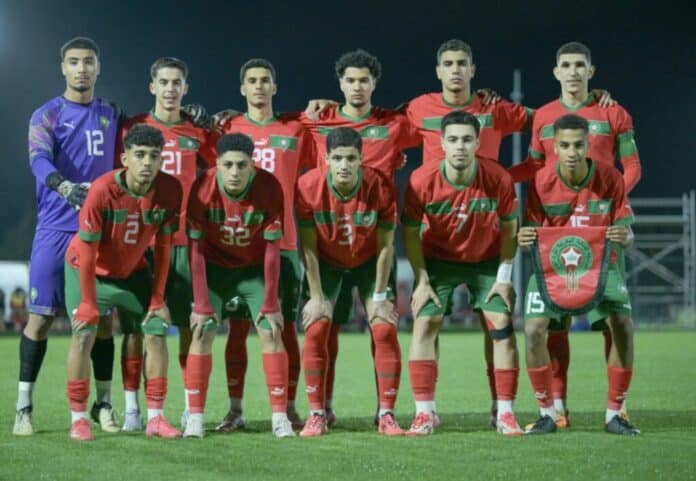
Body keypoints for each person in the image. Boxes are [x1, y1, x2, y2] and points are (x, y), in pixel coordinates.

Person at [510, 42, 642, 426]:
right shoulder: (543, 116)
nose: (572, 72)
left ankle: (617, 407)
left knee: (615, 324)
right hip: (557, 233)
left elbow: (632, 167)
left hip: (600, 231)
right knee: (553, 327)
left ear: (590, 71)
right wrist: (496, 177)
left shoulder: (612, 112)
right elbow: (533, 167)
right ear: (556, 72)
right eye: (565, 65)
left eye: (579, 65)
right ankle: (557, 407)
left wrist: (606, 201)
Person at [15, 36, 122, 436]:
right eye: (74, 61)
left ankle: (104, 405)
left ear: (98, 67)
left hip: (98, 232)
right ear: (63, 67)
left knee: (104, 321)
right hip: (55, 230)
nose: (82, 68)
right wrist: (63, 186)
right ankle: (24, 408)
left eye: (88, 61)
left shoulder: (111, 113)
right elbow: (38, 159)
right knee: (40, 319)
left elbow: (144, 137)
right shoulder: (46, 114)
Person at [402, 111, 522, 435]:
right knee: (425, 321)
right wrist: (421, 280)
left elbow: (511, 227)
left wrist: (504, 277)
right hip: (438, 260)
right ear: (441, 143)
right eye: (453, 139)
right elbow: (410, 233)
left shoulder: (497, 178)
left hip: (486, 259)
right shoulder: (421, 180)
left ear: (478, 143)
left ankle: (505, 412)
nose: (460, 146)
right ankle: (424, 413)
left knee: (501, 322)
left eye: (467, 139)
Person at [64, 123, 183, 441]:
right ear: (125, 158)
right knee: (83, 334)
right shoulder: (102, 190)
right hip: (87, 270)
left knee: (156, 330)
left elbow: (164, 247)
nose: (147, 162)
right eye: (140, 155)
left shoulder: (170, 190)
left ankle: (155, 418)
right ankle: (79, 419)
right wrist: (88, 302)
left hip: (131, 272)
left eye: (154, 156)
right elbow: (88, 250)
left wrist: (158, 298)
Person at [117, 57, 216, 432]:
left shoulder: (196, 131)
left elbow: (220, 167)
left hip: (185, 243)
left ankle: (191, 408)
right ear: (152, 86)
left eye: (177, 83)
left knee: (192, 328)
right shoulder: (133, 127)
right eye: (164, 82)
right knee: (137, 329)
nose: (171, 89)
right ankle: (132, 409)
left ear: (185, 88)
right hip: (142, 243)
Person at [214, 58, 312, 432]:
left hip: (283, 244)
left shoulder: (295, 129)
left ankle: (289, 408)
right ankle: (235, 410)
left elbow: (324, 147)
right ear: (242, 88)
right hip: (238, 244)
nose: (258, 86)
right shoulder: (227, 128)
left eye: (265, 80)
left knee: (284, 328)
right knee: (237, 330)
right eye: (252, 81)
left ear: (275, 86)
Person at [183, 133, 293, 438]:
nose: (234, 172)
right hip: (214, 269)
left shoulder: (269, 187)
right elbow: (195, 250)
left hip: (253, 270)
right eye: (228, 165)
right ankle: (195, 418)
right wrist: (201, 303)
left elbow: (272, 250)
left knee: (271, 330)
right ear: (217, 164)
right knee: (202, 331)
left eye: (242, 165)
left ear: (252, 165)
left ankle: (280, 418)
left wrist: (270, 302)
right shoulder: (202, 188)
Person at [296, 127, 403, 437]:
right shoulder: (307, 186)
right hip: (327, 262)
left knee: (384, 328)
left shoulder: (380, 186)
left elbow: (386, 246)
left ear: (361, 159)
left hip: (370, 262)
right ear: (326, 158)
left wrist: (380, 296)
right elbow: (308, 247)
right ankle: (318, 414)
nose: (344, 165)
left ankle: (386, 414)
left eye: (351, 158)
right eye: (338, 158)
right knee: (317, 328)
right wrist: (317, 296)